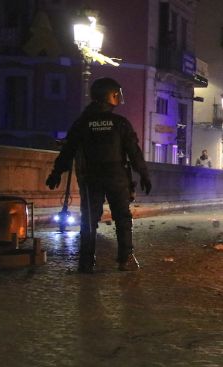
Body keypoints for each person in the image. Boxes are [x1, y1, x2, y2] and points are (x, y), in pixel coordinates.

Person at [45, 77, 151, 273]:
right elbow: (133, 152)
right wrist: (143, 174)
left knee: (89, 220)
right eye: (117, 94)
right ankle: (125, 258)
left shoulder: (83, 122)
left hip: (90, 177)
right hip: (117, 176)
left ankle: (85, 262)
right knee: (122, 218)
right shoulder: (120, 123)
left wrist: (56, 172)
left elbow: (68, 150)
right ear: (110, 95)